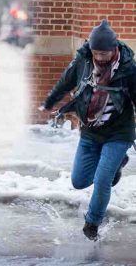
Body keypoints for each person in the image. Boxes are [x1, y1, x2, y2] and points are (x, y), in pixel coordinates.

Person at [40, 19, 136, 241]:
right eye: (96, 53)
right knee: (79, 181)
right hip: (90, 132)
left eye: (104, 53)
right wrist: (50, 102)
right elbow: (65, 83)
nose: (100, 58)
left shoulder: (129, 68)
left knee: (102, 181)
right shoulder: (83, 61)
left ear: (114, 49)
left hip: (118, 133)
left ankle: (92, 223)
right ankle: (116, 166)